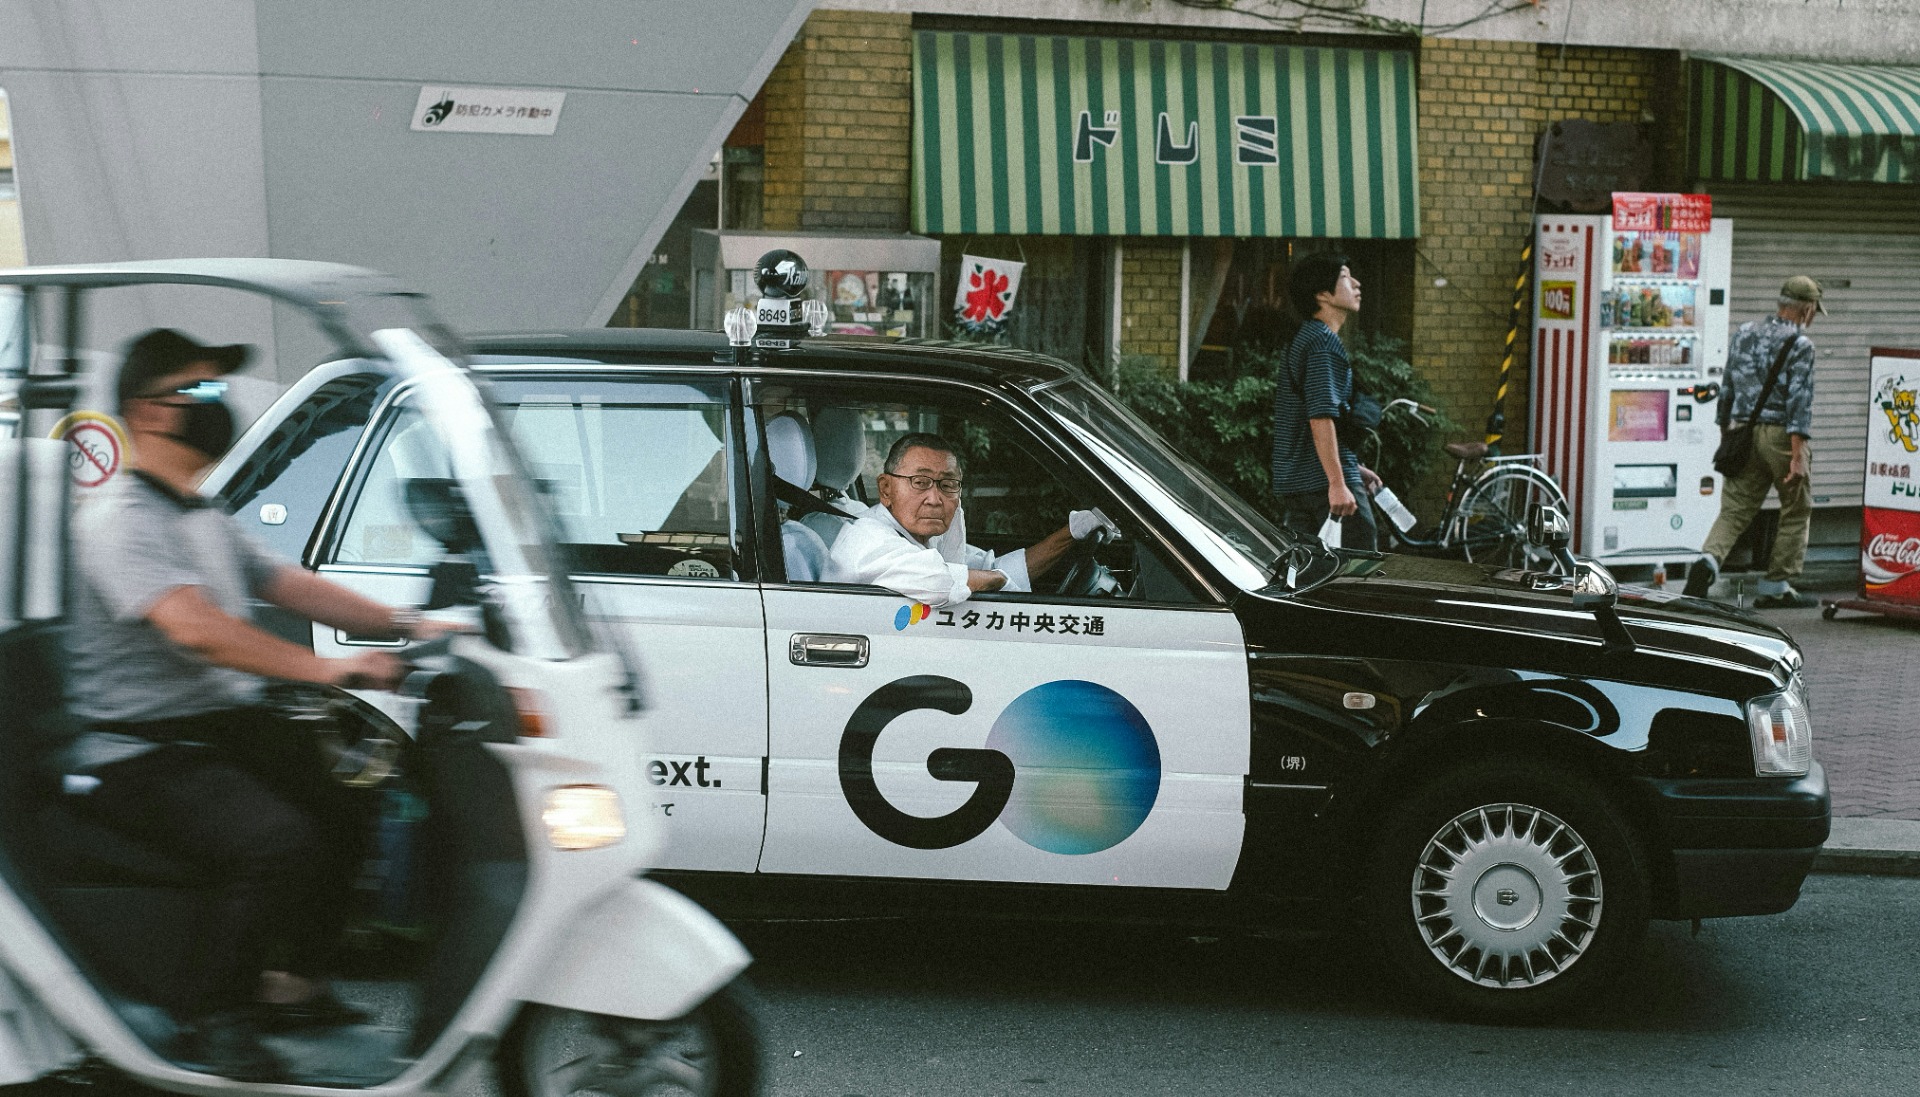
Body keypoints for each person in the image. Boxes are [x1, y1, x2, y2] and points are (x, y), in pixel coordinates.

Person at [60, 329, 453, 1080]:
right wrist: (330, 670)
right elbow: (198, 631)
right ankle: (215, 1014)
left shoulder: (196, 513)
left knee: (351, 798)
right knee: (275, 842)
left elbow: (288, 583)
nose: (220, 403)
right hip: (139, 749)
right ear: (149, 413)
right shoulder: (120, 521)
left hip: (215, 728)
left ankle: (294, 986)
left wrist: (410, 625)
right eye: (200, 392)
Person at [822, 432, 1115, 605]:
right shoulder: (867, 538)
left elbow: (990, 568)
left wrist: (1072, 533)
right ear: (886, 489)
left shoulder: (926, 534)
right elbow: (941, 580)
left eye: (948, 485)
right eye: (920, 482)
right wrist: (999, 581)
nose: (935, 499)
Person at [1683, 276, 1823, 608]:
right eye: (1815, 309)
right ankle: (1776, 586)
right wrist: (1798, 454)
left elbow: (1727, 385)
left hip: (1742, 431)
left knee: (1734, 509)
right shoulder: (1801, 346)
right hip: (1780, 437)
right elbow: (1799, 401)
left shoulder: (1744, 333)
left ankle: (1706, 564)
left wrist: (1725, 431)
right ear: (1805, 309)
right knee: (1796, 506)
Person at [1272, 251, 1381, 551]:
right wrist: (1338, 482)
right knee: (1358, 578)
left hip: (1300, 482)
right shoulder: (1322, 342)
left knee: (1308, 579)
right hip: (1323, 488)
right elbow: (1320, 416)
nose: (1356, 284)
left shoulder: (1305, 337)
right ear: (1322, 294)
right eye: (1345, 277)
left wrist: (1350, 467)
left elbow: (1307, 416)